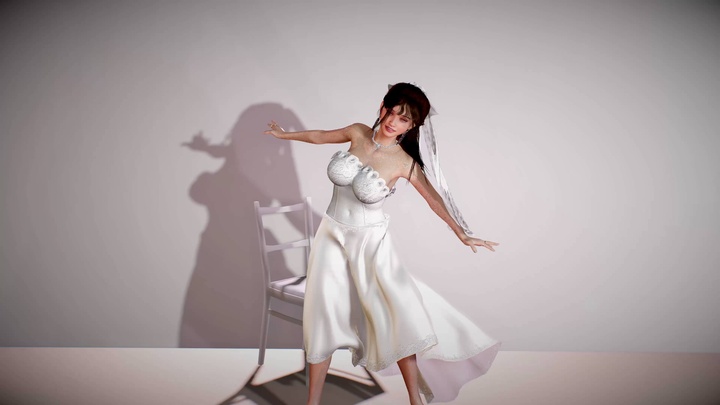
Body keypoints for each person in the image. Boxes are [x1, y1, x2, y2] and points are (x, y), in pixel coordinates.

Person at [264, 83, 500, 405]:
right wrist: (284, 136)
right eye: (391, 111)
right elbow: (320, 136)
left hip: (370, 245)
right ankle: (312, 402)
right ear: (382, 106)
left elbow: (434, 199)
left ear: (412, 126)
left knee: (394, 316)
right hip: (331, 236)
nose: (393, 121)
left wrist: (461, 232)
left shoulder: (404, 162)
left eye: (403, 119)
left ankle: (415, 400)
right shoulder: (357, 132)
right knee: (322, 316)